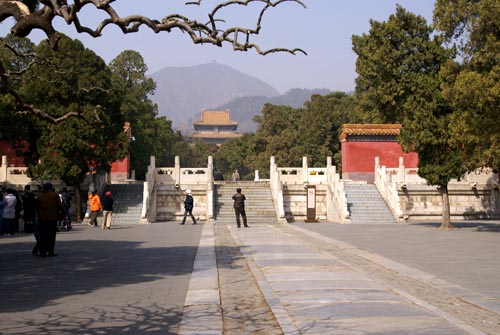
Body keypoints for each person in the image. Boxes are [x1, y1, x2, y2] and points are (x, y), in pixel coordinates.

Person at [36, 182, 65, 257]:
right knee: (51, 235)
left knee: (43, 235)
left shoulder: (39, 196)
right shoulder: (54, 195)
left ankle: (42, 251)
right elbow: (60, 205)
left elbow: (36, 207)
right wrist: (63, 212)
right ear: (50, 188)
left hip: (42, 218)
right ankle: (50, 251)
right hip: (52, 217)